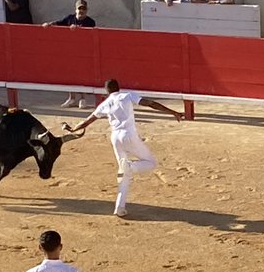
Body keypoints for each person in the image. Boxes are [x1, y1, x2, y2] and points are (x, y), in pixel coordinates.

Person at [62, 79, 184, 217]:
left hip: (115, 138)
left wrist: (73, 129)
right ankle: (131, 167)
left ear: (106, 91)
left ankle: (119, 207)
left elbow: (87, 121)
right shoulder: (127, 95)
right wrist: (173, 112)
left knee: (123, 174)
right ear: (118, 88)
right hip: (129, 135)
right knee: (151, 163)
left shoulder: (105, 104)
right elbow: (151, 103)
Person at [51, 0, 97, 109]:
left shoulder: (90, 21)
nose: (81, 11)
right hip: (70, 51)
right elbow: (58, 23)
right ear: (75, 9)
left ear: (87, 10)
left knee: (83, 75)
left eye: (84, 9)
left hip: (84, 52)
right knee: (70, 75)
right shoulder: (69, 18)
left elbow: (91, 35)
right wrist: (49, 24)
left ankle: (83, 99)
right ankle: (71, 98)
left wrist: (79, 30)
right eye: (79, 8)